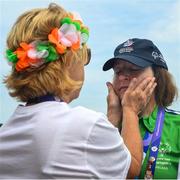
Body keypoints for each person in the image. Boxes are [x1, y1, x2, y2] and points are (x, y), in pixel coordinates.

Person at [0, 4, 155, 179]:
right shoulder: (85, 124)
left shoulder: (6, 132)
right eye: (84, 57)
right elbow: (132, 167)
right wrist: (130, 110)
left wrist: (112, 116)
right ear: (68, 62)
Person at [103, 38, 180, 179]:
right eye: (117, 71)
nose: (121, 77)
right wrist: (111, 122)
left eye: (133, 69)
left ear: (157, 76)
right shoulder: (103, 125)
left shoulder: (177, 125)